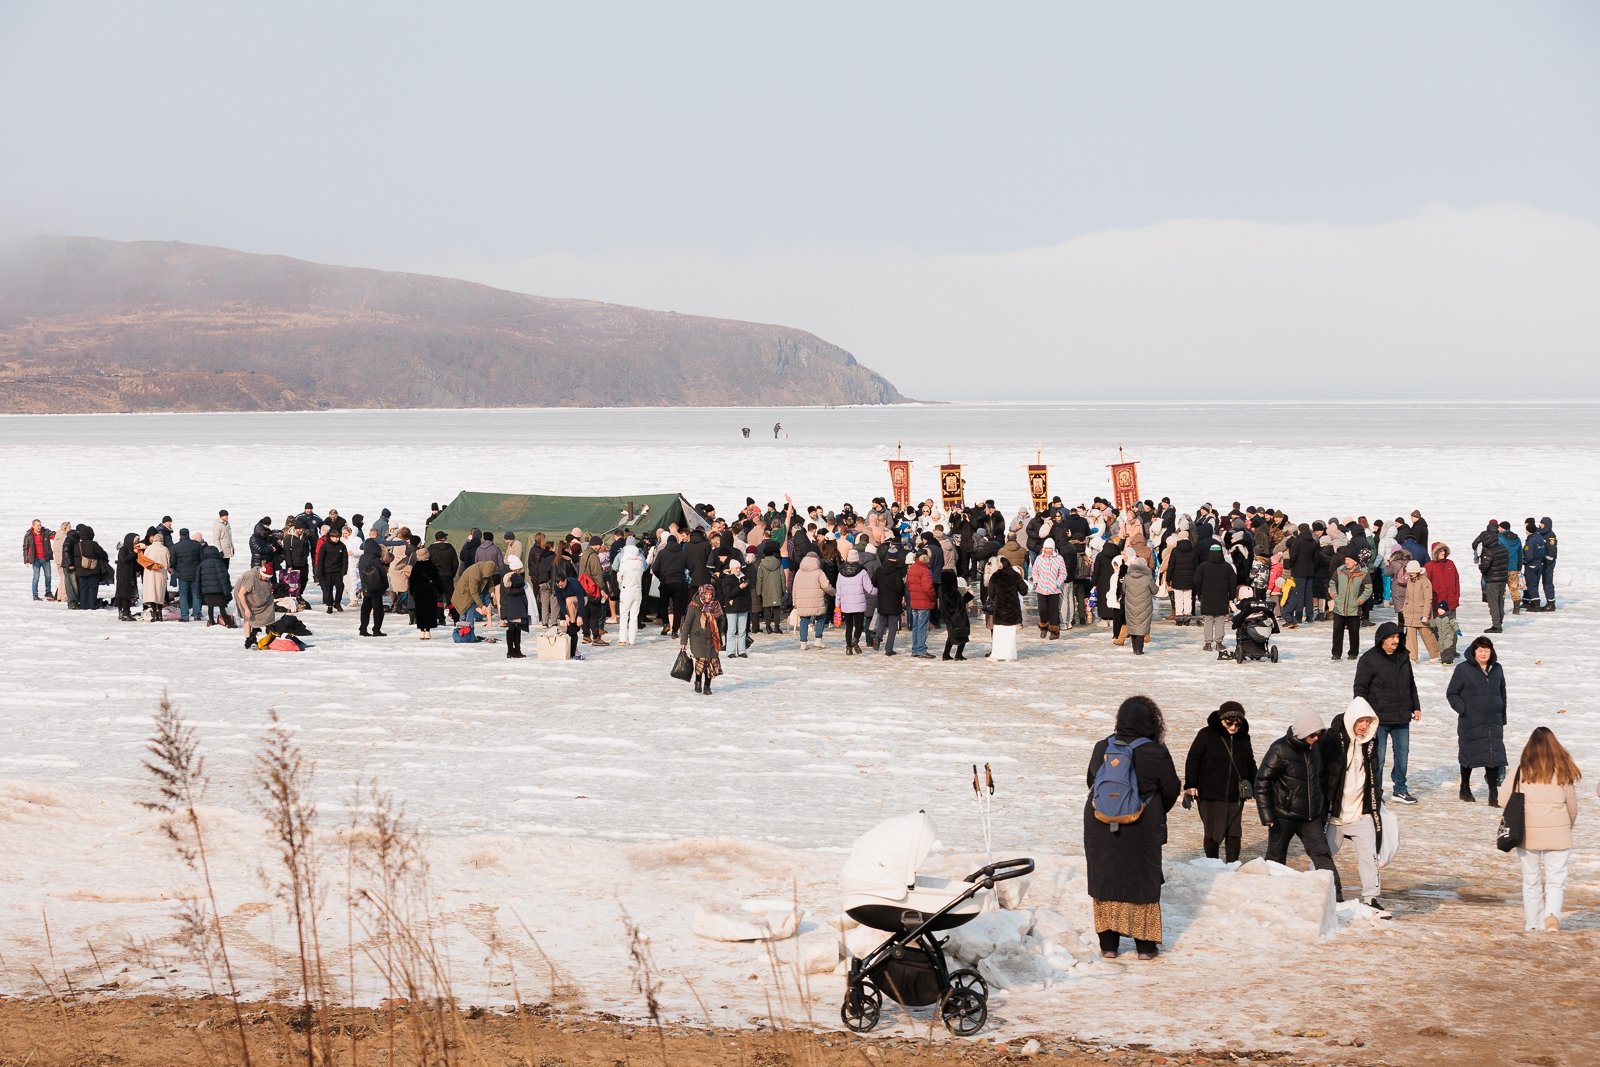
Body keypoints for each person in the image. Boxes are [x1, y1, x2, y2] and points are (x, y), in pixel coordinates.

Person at [1084, 696, 1181, 960]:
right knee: (1142, 881)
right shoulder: (1156, 751)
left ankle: (1108, 946)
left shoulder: (1102, 747)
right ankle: (1145, 948)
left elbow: (1091, 781)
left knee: (1105, 878)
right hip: (1142, 825)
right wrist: (1153, 810)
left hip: (1099, 822)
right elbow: (1171, 788)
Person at [1255, 710, 1339, 882]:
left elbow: (1319, 779)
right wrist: (1267, 815)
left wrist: (1320, 808)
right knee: (1275, 859)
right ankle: (1271, 891)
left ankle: (1335, 893)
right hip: (1283, 815)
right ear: (1302, 732)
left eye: (1319, 734)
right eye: (1312, 734)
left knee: (1323, 855)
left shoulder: (1315, 748)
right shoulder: (1279, 749)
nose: (1316, 738)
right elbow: (1262, 781)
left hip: (1310, 817)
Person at [1511, 727, 1580, 931]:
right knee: (1556, 880)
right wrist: (1566, 827)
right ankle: (1551, 916)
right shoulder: (1563, 771)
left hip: (1527, 833)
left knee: (1530, 880)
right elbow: (1572, 807)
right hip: (1558, 834)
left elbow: (1505, 799)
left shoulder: (1521, 771)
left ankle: (1533, 924)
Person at [1321, 698, 1386, 912]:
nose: (1364, 726)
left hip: (1361, 813)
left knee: (1369, 857)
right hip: (1335, 815)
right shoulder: (1332, 739)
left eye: (1368, 721)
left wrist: (1376, 802)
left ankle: (1371, 898)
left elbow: (1374, 777)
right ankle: (1316, 891)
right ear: (1351, 719)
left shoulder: (1371, 743)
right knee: (1322, 857)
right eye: (1361, 721)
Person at [1354, 621, 1422, 804]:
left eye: (1398, 637)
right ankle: (1375, 792)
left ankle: (1400, 789)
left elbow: (1410, 683)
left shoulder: (1403, 656)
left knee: (1402, 755)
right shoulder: (1369, 659)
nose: (1396, 640)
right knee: (1378, 758)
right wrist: (1362, 715)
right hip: (1378, 718)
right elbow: (1360, 689)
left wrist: (1416, 706)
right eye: (1392, 637)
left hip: (1402, 716)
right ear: (1382, 639)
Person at [1183, 701, 1257, 863]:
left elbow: (1250, 762)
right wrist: (1190, 784)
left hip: (1236, 794)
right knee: (1213, 831)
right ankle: (1213, 864)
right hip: (1210, 793)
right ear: (1221, 720)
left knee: (1234, 832)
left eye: (1237, 724)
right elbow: (1193, 759)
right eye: (1229, 723)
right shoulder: (1206, 734)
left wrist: (1256, 784)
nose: (1233, 727)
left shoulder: (1244, 737)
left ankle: (1232, 866)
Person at [1447, 636, 1508, 805]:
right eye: (1480, 650)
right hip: (1471, 721)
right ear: (1474, 651)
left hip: (1493, 720)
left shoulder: (1497, 669)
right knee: (1468, 754)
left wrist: (1502, 716)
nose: (1483, 654)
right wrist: (1464, 710)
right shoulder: (1463, 669)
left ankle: (1493, 794)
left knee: (1493, 756)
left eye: (1486, 650)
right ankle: (1465, 787)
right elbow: (1452, 693)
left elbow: (1502, 692)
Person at [680, 583, 725, 694]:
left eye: (711, 594)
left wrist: (719, 632)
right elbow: (687, 624)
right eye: (706, 594)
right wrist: (683, 641)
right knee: (702, 661)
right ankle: (698, 681)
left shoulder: (716, 604)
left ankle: (707, 686)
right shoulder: (694, 606)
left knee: (711, 662)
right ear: (702, 594)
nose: (709, 597)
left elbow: (721, 620)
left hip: (713, 639)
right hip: (698, 639)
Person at [1193, 543, 1235, 652]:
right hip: (1222, 597)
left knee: (1208, 620)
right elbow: (1233, 583)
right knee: (1220, 620)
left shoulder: (1203, 566)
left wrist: (1200, 593)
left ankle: (1208, 644)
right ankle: (1219, 643)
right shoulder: (1227, 567)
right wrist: (1231, 596)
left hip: (1207, 597)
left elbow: (1196, 581)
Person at [1328, 551, 1370, 660]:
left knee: (1354, 632)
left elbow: (1368, 589)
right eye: (1346, 559)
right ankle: (1336, 653)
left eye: (1349, 560)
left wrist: (1359, 601)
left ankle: (1353, 653)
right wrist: (1335, 596)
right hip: (1339, 607)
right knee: (1337, 631)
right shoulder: (1339, 570)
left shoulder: (1363, 572)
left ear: (1355, 562)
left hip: (1354, 608)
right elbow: (1332, 583)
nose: (1346, 562)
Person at [987, 555, 1027, 661]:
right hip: (1013, 610)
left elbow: (991, 594)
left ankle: (996, 655)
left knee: (999, 634)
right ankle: (1010, 656)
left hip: (999, 610)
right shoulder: (1015, 575)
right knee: (1010, 635)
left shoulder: (995, 576)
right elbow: (1024, 590)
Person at [834, 550, 873, 656]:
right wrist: (879, 591)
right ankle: (855, 640)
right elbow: (869, 589)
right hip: (858, 603)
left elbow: (838, 590)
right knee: (859, 625)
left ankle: (848, 648)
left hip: (846, 604)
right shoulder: (862, 571)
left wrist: (837, 604)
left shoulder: (841, 572)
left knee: (849, 627)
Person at [1401, 561, 1441, 662]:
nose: (1411, 574)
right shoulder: (1410, 580)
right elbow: (1407, 597)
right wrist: (1405, 609)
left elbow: (1428, 599)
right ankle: (1412, 657)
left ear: (1418, 571)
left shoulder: (1425, 581)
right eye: (1409, 572)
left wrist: (1425, 615)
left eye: (1413, 572)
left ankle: (1435, 654)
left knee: (1426, 634)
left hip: (1421, 612)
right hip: (1410, 613)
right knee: (1410, 637)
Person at [233, 560, 276, 649]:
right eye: (266, 577)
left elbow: (266, 585)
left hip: (255, 593)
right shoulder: (251, 578)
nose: (267, 579)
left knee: (268, 602)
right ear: (261, 574)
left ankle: (267, 629)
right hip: (242, 594)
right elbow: (241, 594)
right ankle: (249, 639)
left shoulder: (264, 576)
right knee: (248, 616)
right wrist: (246, 609)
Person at [1121, 557, 1156, 655]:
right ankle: (1139, 650)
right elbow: (1155, 590)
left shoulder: (1127, 577)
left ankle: (1135, 649)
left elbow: (1124, 589)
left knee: (1132, 626)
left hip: (1130, 605)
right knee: (1141, 627)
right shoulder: (1148, 577)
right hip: (1144, 606)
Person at [905, 552, 937, 658]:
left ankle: (915, 649)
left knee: (916, 626)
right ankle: (921, 650)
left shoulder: (911, 568)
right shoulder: (925, 570)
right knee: (922, 627)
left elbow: (908, 584)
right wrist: (934, 596)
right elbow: (928, 588)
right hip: (924, 601)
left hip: (914, 601)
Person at [357, 539, 391, 637]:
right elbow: (381, 573)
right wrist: (385, 586)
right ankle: (376, 630)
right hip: (375, 588)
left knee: (365, 609)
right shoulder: (375, 558)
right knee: (378, 610)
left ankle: (363, 629)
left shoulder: (362, 557)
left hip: (366, 587)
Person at [409, 544, 443, 640]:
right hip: (430, 592)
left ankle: (421, 631)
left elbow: (412, 581)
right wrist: (440, 590)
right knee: (429, 611)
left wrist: (412, 591)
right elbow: (437, 580)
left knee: (420, 611)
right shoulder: (432, 566)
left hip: (419, 592)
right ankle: (427, 631)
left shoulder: (416, 567)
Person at [197, 543, 236, 626]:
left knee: (210, 607)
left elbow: (198, 579)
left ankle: (211, 621)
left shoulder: (201, 564)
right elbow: (223, 577)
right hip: (219, 590)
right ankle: (227, 622)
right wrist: (227, 590)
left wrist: (199, 592)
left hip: (207, 591)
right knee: (222, 607)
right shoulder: (219, 562)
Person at [1478, 531, 1509, 633]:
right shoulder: (1503, 548)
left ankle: (1496, 625)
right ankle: (1499, 621)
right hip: (1502, 579)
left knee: (1493, 603)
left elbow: (1485, 567)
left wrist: (1480, 566)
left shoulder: (1489, 551)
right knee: (1500, 601)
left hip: (1492, 580)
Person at [616, 543, 646, 646]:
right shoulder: (640, 563)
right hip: (637, 590)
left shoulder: (625, 564)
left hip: (626, 590)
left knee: (624, 616)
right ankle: (632, 639)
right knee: (634, 616)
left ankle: (622, 639)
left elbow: (619, 578)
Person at [171, 528, 203, 622]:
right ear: (188, 534)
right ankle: (197, 614)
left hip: (182, 575)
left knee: (183, 595)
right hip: (195, 573)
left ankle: (185, 616)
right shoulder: (196, 545)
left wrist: (177, 571)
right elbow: (201, 558)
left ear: (180, 535)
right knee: (196, 594)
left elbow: (173, 562)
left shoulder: (175, 547)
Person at [501, 556, 530, 658]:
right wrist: (523, 589)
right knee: (515, 629)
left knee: (513, 629)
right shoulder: (512, 577)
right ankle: (514, 651)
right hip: (513, 607)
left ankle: (512, 651)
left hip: (510, 607)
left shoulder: (506, 577)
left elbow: (504, 594)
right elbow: (510, 592)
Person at [939, 573, 973, 660]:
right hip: (957, 616)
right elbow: (959, 604)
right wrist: (969, 595)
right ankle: (958, 654)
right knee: (962, 634)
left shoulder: (942, 589)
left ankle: (946, 654)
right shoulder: (951, 591)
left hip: (948, 616)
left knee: (951, 635)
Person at [316, 528, 349, 612]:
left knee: (340, 587)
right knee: (328, 589)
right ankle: (330, 605)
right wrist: (319, 572)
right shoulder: (325, 546)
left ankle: (337, 603)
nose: (336, 539)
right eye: (334, 537)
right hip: (327, 571)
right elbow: (320, 560)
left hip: (338, 571)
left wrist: (344, 570)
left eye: (337, 537)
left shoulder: (342, 546)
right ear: (330, 537)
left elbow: (345, 559)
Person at [141, 532, 171, 621]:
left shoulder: (149, 549)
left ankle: (154, 613)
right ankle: (160, 614)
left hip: (150, 574)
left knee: (152, 593)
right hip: (161, 574)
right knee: (160, 594)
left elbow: (144, 560)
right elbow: (168, 564)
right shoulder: (165, 549)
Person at [23, 519, 54, 601]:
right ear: (33, 526)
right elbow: (25, 548)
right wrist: (26, 560)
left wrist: (62, 533)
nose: (40, 527)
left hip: (45, 558)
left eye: (40, 525)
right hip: (36, 559)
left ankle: (48, 592)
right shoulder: (29, 535)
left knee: (48, 576)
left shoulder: (45, 532)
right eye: (38, 525)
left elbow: (55, 536)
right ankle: (35, 595)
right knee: (36, 577)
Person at [1537, 518, 1558, 610]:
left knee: (1547, 582)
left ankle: (1551, 604)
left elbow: (1552, 551)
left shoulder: (1550, 536)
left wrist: (1546, 560)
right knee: (1543, 582)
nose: (1540, 524)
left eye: (1541, 523)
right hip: (1542, 562)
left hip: (1548, 563)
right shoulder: (1541, 533)